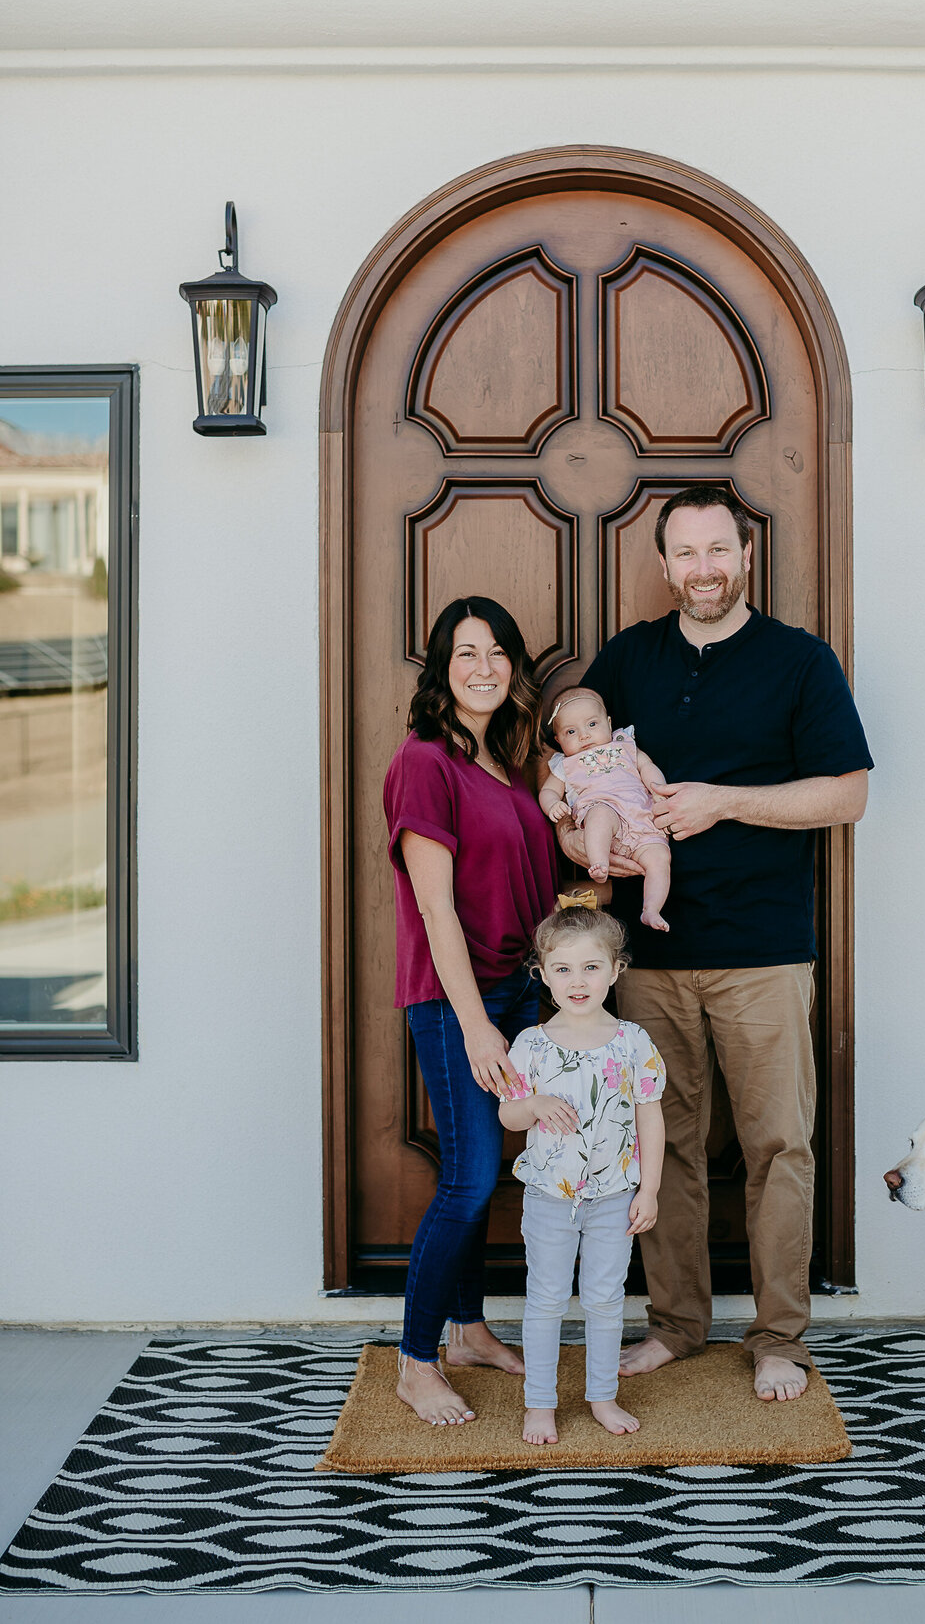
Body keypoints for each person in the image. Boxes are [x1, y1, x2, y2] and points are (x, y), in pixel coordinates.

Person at [559, 485, 872, 1404]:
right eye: (684, 553)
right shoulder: (627, 659)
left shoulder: (799, 662)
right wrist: (579, 835)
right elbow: (576, 774)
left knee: (780, 1144)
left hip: (765, 952)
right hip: (647, 960)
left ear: (746, 556)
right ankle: (676, 1324)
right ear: (664, 565)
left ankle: (779, 1337)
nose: (702, 568)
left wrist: (723, 800)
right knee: (670, 1146)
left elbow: (846, 794)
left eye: (717, 550)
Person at [383, 595, 558, 1426]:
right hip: (461, 997)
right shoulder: (425, 761)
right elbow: (436, 910)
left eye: (496, 651)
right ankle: (416, 1362)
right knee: (470, 1176)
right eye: (464, 653)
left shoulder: (510, 760)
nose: (483, 666)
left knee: (481, 1172)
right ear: (441, 669)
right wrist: (479, 1025)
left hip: (523, 986)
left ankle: (470, 1330)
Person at [498, 903, 666, 1446]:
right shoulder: (532, 1046)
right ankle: (540, 1403)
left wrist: (651, 1188)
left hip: (614, 1197)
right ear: (542, 973)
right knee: (545, 1298)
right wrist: (536, 1104)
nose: (577, 981)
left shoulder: (633, 1042)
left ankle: (601, 1396)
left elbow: (649, 1115)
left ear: (616, 971)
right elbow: (509, 1114)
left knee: (604, 1299)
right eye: (563, 969)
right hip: (550, 1196)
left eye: (591, 967)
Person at [537, 686, 672, 931]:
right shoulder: (564, 764)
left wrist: (659, 791)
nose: (584, 736)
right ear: (558, 740)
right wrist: (552, 805)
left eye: (592, 724)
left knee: (660, 858)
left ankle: (651, 909)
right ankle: (599, 863)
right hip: (604, 810)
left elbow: (647, 766)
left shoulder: (624, 743)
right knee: (599, 816)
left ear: (608, 723)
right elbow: (548, 791)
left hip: (642, 819)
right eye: (571, 731)